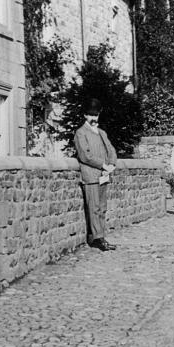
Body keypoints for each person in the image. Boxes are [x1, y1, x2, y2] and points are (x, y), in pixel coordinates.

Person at [73, 98, 118, 252]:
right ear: (85, 115)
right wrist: (103, 165)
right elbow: (85, 155)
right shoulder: (81, 133)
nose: (94, 118)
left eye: (96, 115)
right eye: (91, 115)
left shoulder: (101, 132)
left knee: (102, 207)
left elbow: (111, 149)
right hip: (91, 175)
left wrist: (111, 164)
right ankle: (98, 238)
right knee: (94, 207)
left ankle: (100, 235)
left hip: (103, 175)